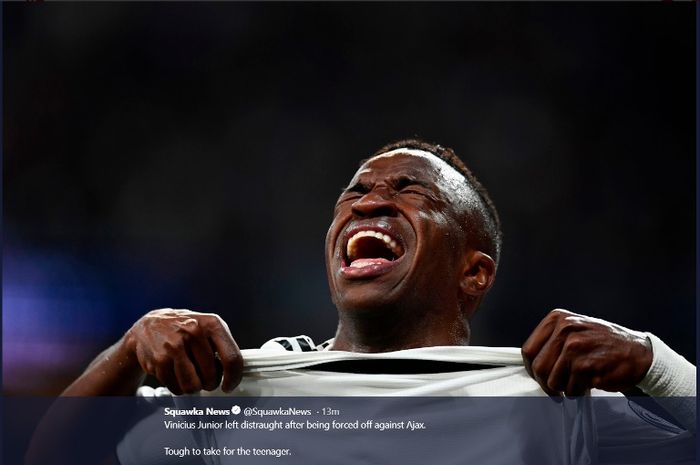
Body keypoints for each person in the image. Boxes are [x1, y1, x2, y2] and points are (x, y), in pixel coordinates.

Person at [33, 139, 695, 464]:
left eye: (412, 191)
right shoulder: (237, 393)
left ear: (474, 272)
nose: (369, 199)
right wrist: (127, 352)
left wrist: (648, 359)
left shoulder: (553, 407)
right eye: (354, 191)